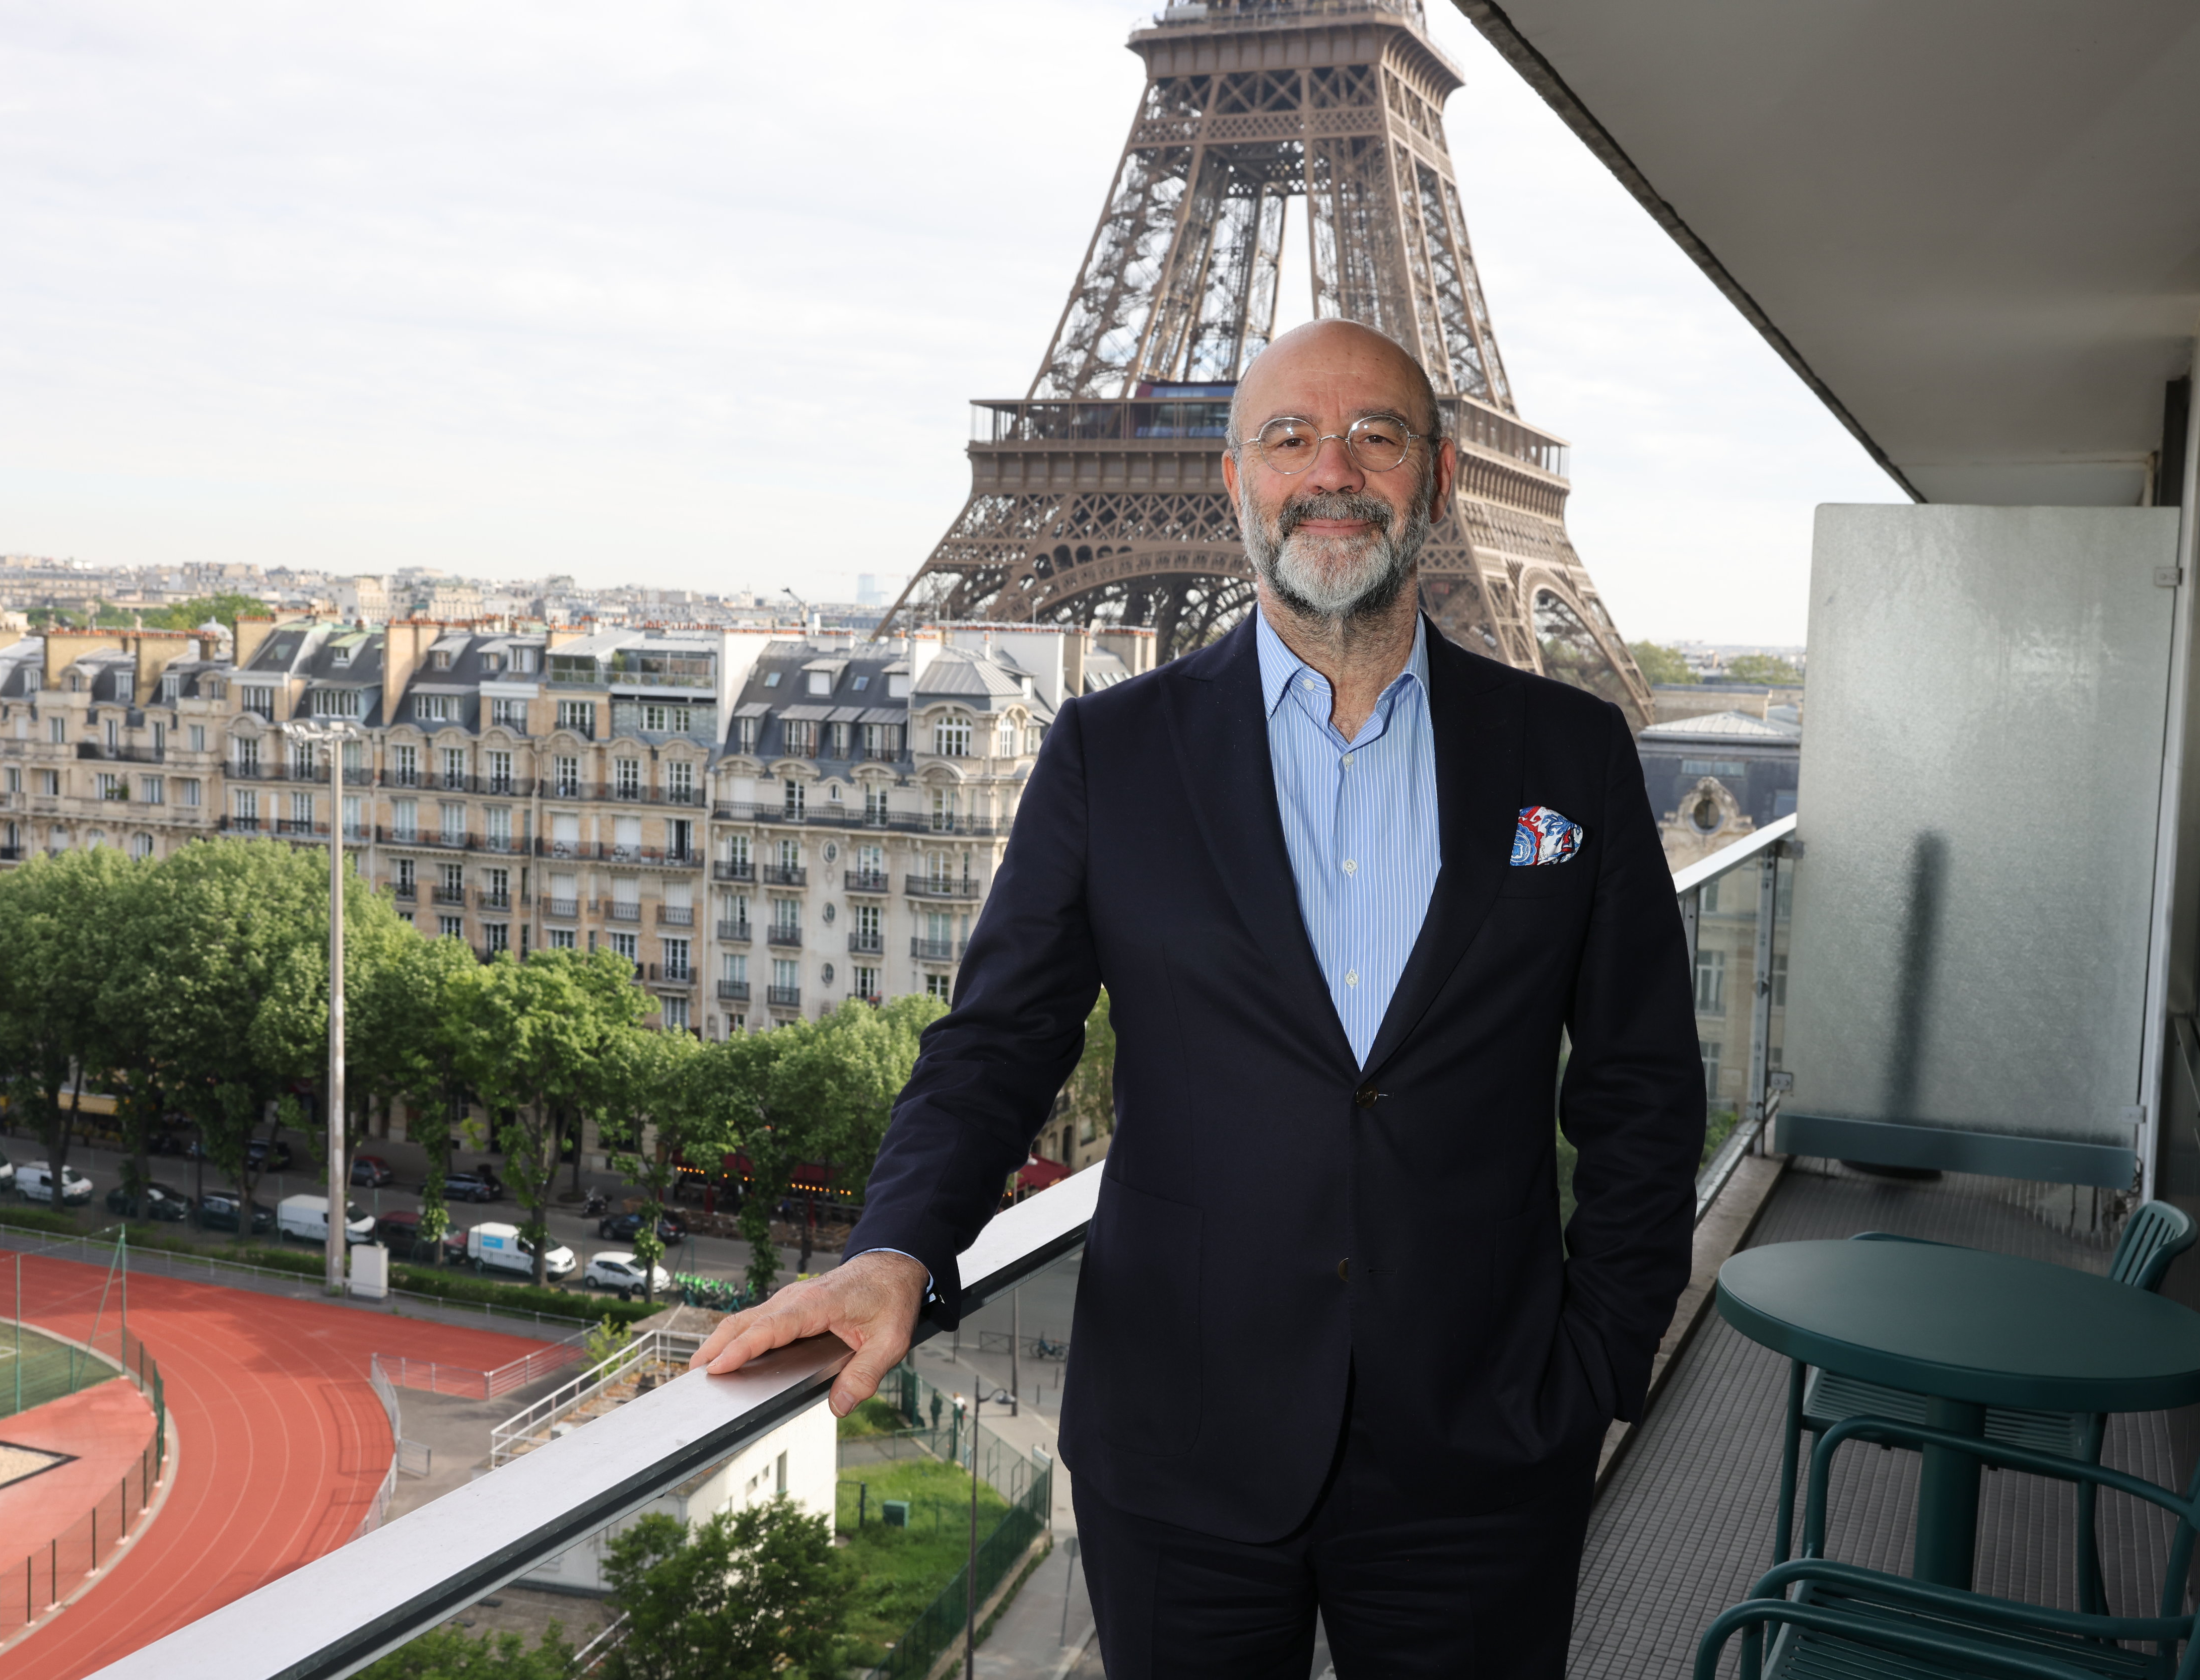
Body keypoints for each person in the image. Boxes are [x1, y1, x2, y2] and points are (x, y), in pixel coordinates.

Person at [691, 319, 1703, 1676]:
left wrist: (1601, 1361)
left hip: (1486, 1440)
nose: (1331, 469)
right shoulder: (1114, 750)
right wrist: (898, 1249)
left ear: (1441, 479)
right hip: (1182, 1443)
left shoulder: (1568, 753)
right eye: (1289, 437)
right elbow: (1000, 1039)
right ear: (1234, 483)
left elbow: (1642, 1083)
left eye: (1376, 436)